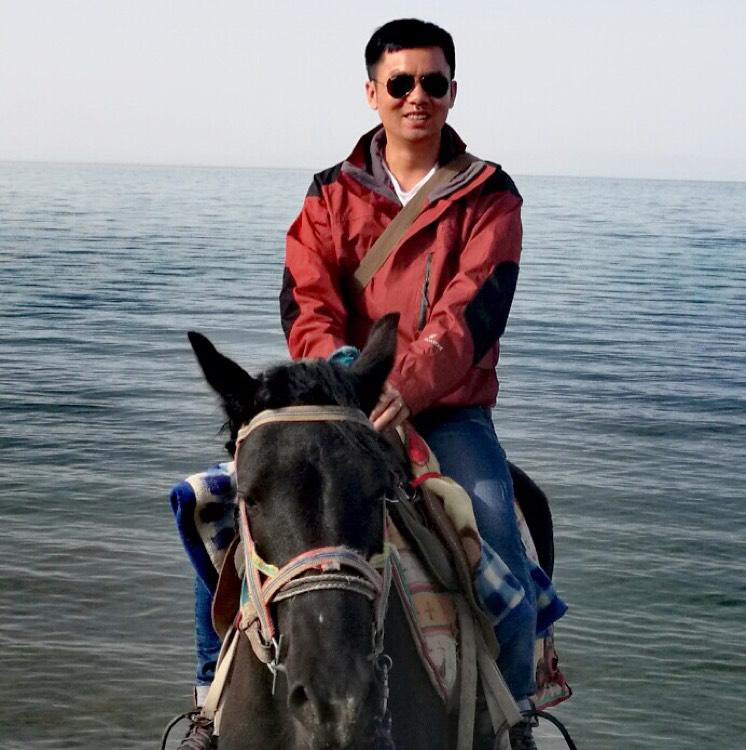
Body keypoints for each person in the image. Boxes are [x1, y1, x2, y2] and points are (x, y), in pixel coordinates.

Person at [179, 18, 539, 750]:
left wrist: (405, 384)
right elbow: (306, 297)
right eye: (400, 83)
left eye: (433, 82)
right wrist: (340, 376)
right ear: (372, 92)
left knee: (500, 542)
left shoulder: (489, 196)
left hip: (445, 410)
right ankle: (209, 701)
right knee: (222, 511)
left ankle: (516, 720)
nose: (417, 96)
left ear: (453, 92)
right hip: (339, 402)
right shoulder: (329, 194)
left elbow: (473, 307)